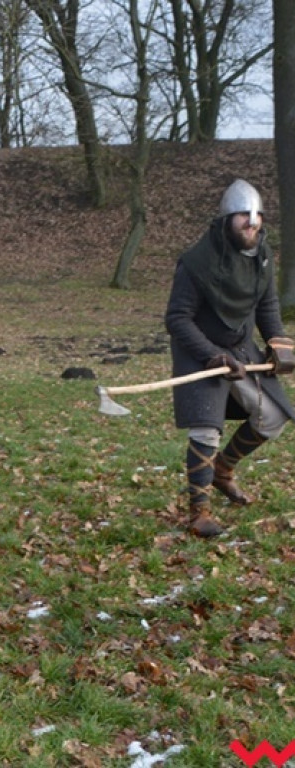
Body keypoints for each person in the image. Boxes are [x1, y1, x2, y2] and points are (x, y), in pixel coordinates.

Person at [165, 178, 295, 538]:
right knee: (206, 429)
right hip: (199, 351)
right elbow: (177, 319)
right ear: (226, 220)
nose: (252, 224)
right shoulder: (196, 263)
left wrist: (279, 343)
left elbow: (267, 305)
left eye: (257, 217)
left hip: (240, 349)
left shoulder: (262, 256)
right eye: (243, 217)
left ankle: (222, 470)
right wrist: (211, 355)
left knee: (272, 417)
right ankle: (199, 512)